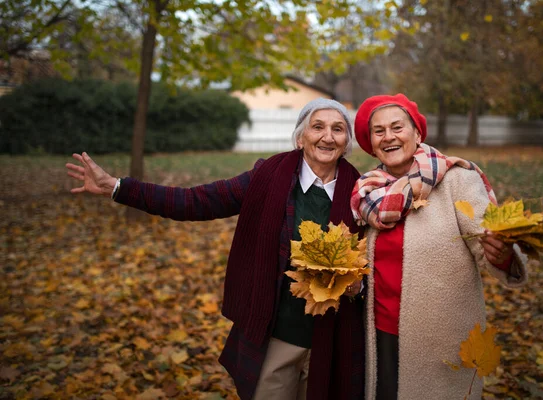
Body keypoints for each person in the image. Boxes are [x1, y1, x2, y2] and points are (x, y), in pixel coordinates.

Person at [66, 98, 364, 400]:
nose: (328, 136)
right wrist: (118, 187)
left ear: (346, 142)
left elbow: (377, 260)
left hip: (332, 340)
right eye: (318, 127)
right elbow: (195, 201)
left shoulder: (361, 191)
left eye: (338, 129)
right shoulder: (267, 177)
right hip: (276, 336)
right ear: (301, 137)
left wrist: (357, 285)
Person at [349, 94, 528, 400]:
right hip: (379, 332)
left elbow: (489, 238)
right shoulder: (368, 191)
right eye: (379, 131)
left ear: (417, 133)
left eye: (397, 127)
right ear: (371, 142)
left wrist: (502, 253)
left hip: (440, 337)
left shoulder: (457, 181)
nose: (388, 136)